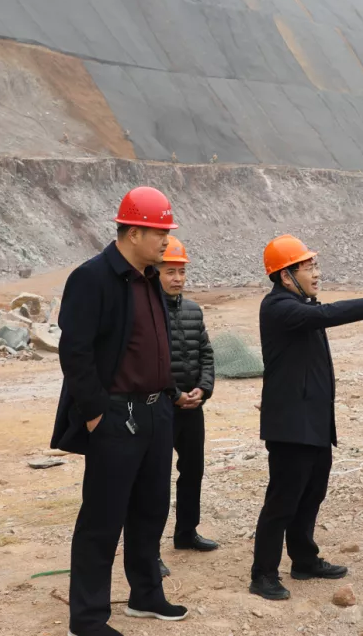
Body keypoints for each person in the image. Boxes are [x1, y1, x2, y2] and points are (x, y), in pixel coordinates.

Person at [250, 235, 363, 601]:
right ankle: (263, 574)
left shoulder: (300, 304)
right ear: (285, 276)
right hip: (291, 425)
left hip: (313, 421)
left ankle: (303, 559)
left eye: (315, 266)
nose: (316, 273)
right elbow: (329, 314)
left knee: (312, 493)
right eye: (307, 267)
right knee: (282, 500)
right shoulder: (279, 307)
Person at [51, 186, 187, 636]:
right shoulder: (92, 278)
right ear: (132, 233)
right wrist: (95, 414)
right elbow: (75, 351)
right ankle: (88, 618)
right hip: (116, 416)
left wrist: (170, 394)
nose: (166, 240)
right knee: (102, 519)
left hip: (156, 413)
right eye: (159, 233)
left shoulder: (149, 277)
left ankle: (145, 595)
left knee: (151, 510)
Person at [157, 237, 218, 580]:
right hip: (161, 408)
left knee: (193, 470)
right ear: (156, 273)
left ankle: (186, 532)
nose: (177, 278)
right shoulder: (148, 312)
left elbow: (206, 353)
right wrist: (175, 394)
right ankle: (149, 549)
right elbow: (150, 362)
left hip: (192, 408)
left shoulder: (194, 310)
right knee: (155, 480)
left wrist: (203, 389)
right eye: (170, 271)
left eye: (181, 271)